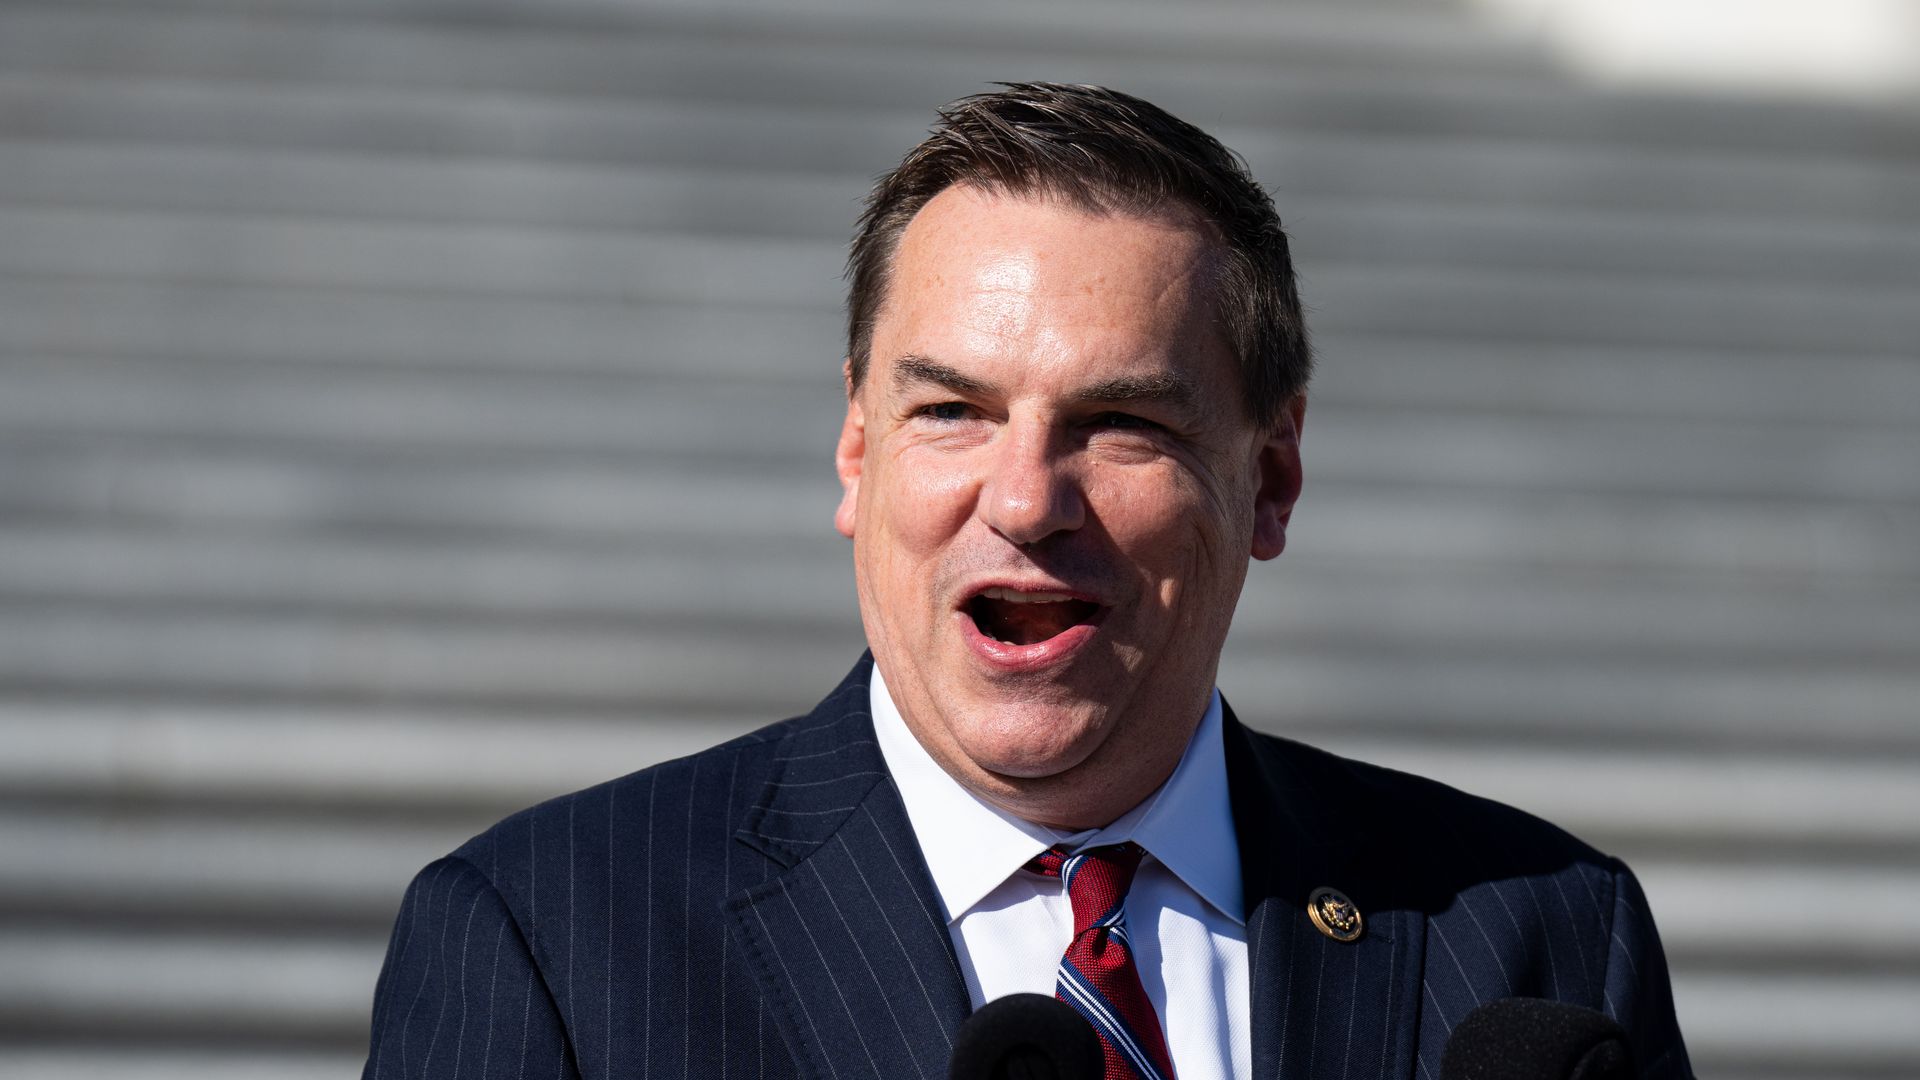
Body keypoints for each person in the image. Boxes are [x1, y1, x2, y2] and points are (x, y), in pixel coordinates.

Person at [362, 83, 1691, 1080]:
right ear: (856, 447)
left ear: (1271, 477)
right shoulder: (550, 942)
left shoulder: (1542, 936)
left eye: (1122, 423)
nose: (1023, 500)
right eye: (952, 412)